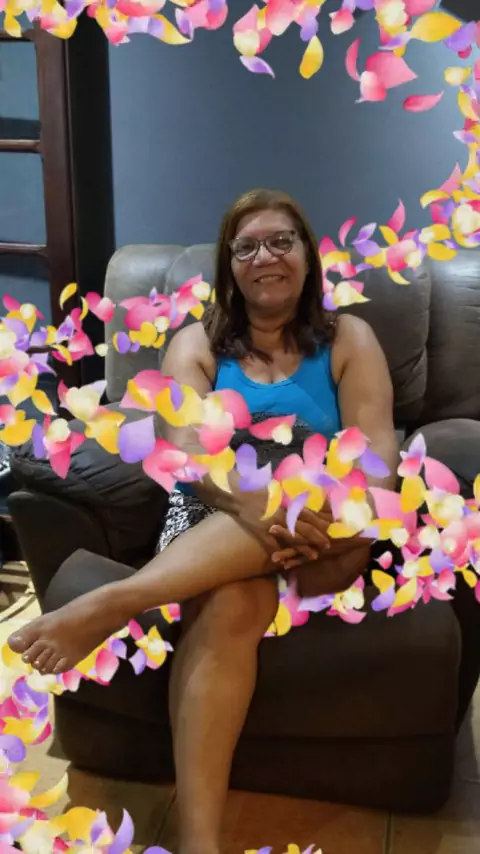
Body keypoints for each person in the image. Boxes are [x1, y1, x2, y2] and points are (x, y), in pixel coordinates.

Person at [8, 189, 399, 854]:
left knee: (342, 509)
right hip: (216, 510)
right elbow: (185, 454)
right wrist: (259, 505)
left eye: (281, 241)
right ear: (229, 267)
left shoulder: (349, 337)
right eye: (246, 247)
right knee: (230, 603)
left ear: (307, 256)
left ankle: (118, 601)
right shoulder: (195, 343)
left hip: (325, 522)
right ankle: (199, 844)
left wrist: (314, 506)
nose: (265, 256)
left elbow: (379, 458)